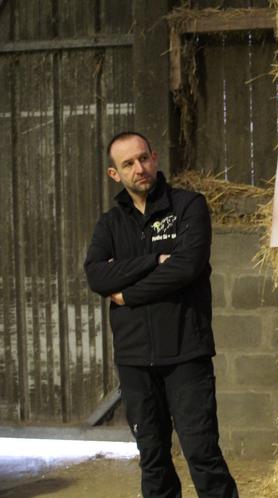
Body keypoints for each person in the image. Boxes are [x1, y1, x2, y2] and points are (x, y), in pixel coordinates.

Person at [84, 131, 238, 498]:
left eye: (144, 158)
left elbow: (186, 267)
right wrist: (153, 260)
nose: (139, 168)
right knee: (152, 458)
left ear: (154, 157)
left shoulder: (188, 207)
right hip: (136, 360)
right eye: (128, 164)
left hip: (186, 354)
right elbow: (95, 274)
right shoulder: (110, 224)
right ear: (114, 174)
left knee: (202, 454)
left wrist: (129, 294)